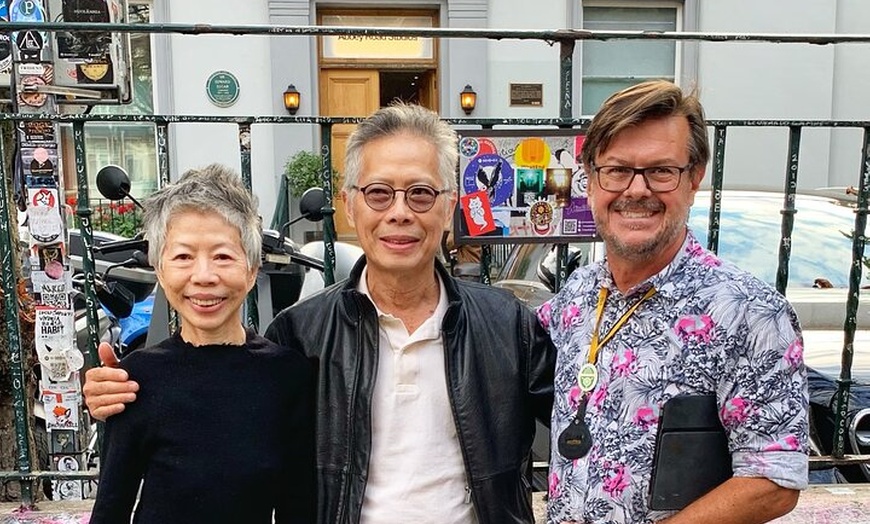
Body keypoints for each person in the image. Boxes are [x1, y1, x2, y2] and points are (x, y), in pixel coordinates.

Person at [84, 104, 556, 524]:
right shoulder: (302, 333)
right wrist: (114, 391)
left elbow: (590, 418)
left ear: (450, 204)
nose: (399, 212)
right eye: (378, 193)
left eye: (420, 193)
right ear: (350, 204)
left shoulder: (507, 326)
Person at [538, 80, 808, 524]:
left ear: (695, 177)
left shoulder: (751, 312)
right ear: (590, 179)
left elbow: (773, 479)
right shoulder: (578, 294)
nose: (636, 190)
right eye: (617, 170)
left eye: (661, 171)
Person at [88, 165, 316, 524]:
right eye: (183, 257)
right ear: (160, 269)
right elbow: (112, 505)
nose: (204, 276)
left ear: (252, 269)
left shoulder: (287, 375)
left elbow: (298, 503)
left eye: (223, 256)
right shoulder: (136, 379)